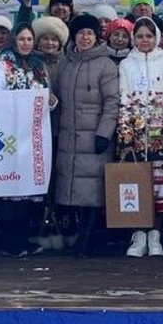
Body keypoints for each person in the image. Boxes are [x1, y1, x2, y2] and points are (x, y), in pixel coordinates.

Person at [52, 14, 121, 256]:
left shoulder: (106, 65)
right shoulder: (66, 62)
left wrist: (104, 133)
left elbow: (113, 102)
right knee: (72, 188)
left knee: (92, 191)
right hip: (69, 136)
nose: (85, 37)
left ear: (96, 36)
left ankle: (87, 239)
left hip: (94, 138)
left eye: (90, 33)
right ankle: (78, 235)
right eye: (81, 33)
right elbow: (58, 97)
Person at [0, 21, 57, 256]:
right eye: (22, 39)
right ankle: (9, 241)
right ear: (14, 40)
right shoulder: (1, 64)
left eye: (29, 39)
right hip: (8, 134)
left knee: (29, 188)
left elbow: (47, 95)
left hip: (32, 134)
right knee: (10, 188)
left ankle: (24, 238)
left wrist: (51, 102)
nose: (26, 43)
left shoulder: (38, 65)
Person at [118, 16, 163, 256]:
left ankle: (156, 234)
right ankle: (139, 235)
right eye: (140, 36)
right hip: (134, 135)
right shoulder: (126, 64)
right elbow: (123, 99)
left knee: (158, 187)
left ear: (156, 38)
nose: (144, 40)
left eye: (148, 36)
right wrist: (126, 131)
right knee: (136, 185)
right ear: (134, 39)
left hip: (159, 135)